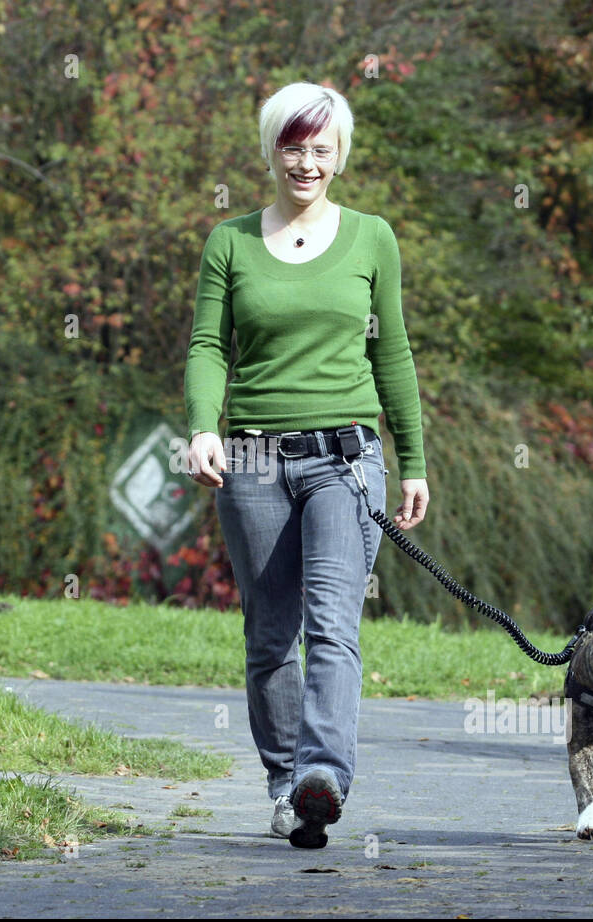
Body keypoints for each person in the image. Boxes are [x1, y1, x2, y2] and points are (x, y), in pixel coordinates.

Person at [183, 81, 429, 849]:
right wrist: (201, 427)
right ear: (271, 149)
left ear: (340, 156)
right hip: (252, 458)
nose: (307, 161)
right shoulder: (231, 241)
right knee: (269, 635)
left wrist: (413, 459)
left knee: (332, 624)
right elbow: (208, 347)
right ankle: (286, 785)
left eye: (321, 148)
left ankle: (323, 776)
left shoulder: (372, 238)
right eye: (294, 145)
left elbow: (390, 348)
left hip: (345, 460)